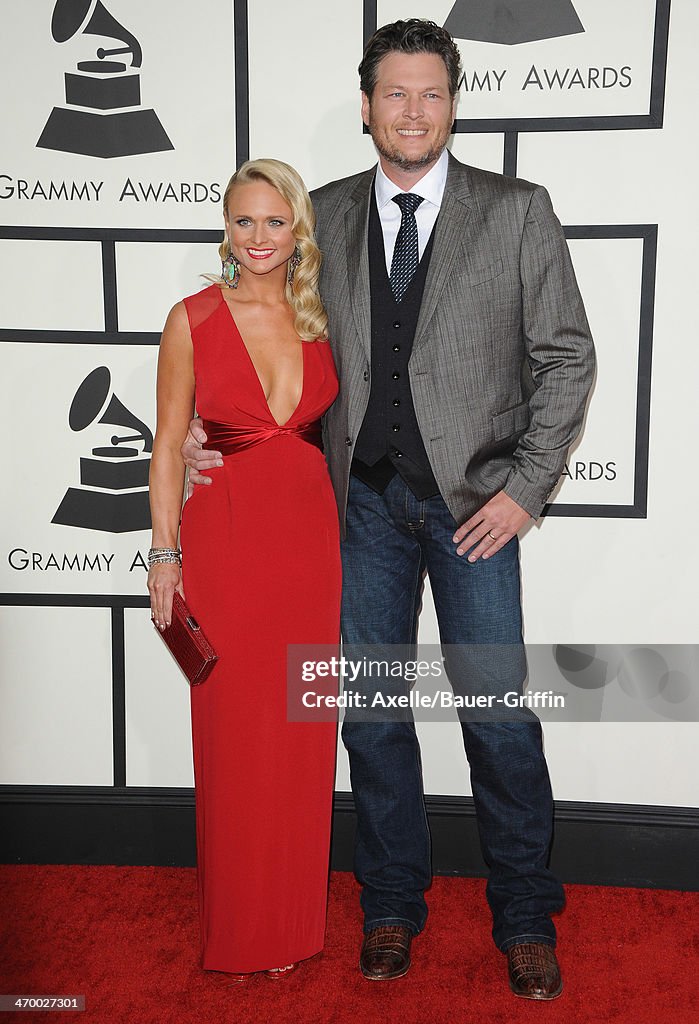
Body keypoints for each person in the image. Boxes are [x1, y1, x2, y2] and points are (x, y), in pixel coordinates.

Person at [183, 19, 595, 1000]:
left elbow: (566, 356)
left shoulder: (516, 211)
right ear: (366, 105)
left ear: (453, 103)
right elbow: (260, 341)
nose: (412, 112)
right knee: (370, 718)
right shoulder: (317, 215)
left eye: (431, 93)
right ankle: (391, 907)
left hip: (474, 512)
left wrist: (525, 491)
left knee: (497, 721)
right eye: (394, 94)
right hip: (356, 512)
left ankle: (527, 915)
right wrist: (210, 433)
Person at [147, 159, 341, 980]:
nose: (257, 240)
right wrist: (164, 556)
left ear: (297, 230)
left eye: (274, 222)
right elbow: (166, 442)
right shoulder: (191, 318)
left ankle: (292, 924)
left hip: (308, 545)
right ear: (224, 227)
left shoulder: (322, 316)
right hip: (226, 543)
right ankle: (239, 929)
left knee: (301, 732)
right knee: (233, 737)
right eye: (242, 222)